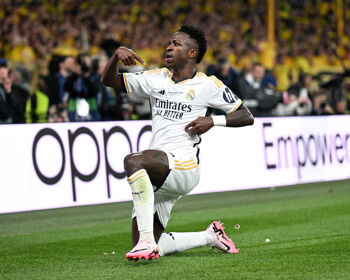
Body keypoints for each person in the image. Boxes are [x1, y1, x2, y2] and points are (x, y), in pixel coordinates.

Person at [101, 24, 254, 261]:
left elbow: (246, 115)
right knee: (156, 242)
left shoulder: (208, 85)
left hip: (184, 166)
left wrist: (213, 120)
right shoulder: (156, 78)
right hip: (158, 170)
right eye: (169, 43)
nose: (169, 46)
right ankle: (210, 236)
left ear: (192, 53)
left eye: (176, 44)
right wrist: (115, 57)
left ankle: (144, 243)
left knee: (134, 161)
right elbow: (109, 81)